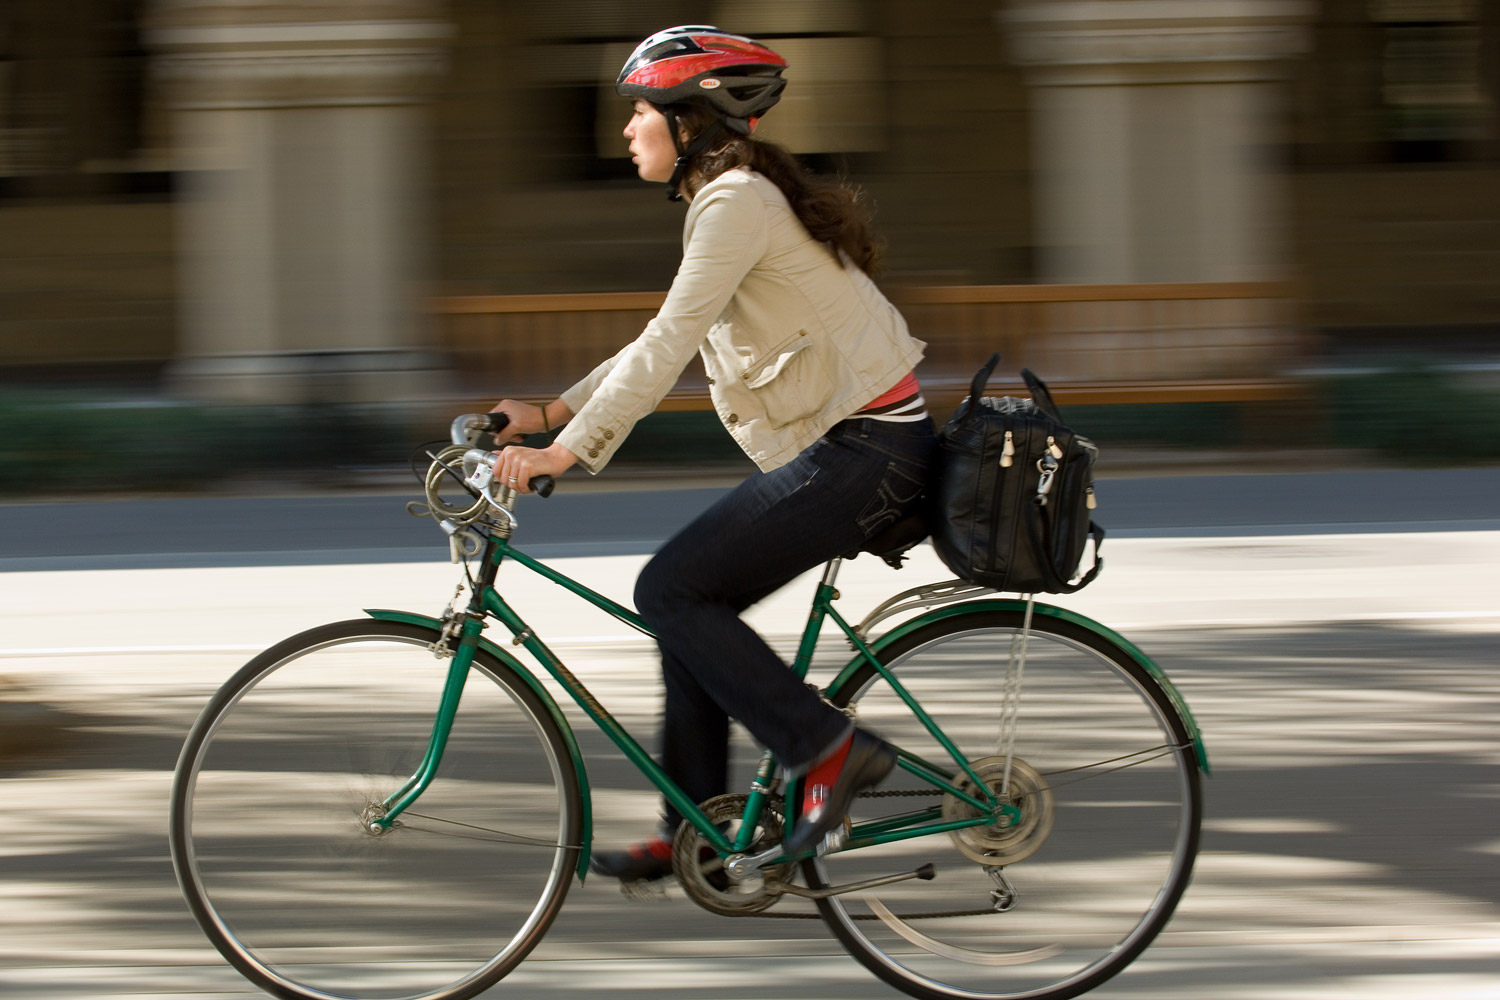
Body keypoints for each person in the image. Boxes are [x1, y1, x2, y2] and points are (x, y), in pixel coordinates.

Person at [488, 26, 935, 882]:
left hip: (868, 451)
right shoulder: (733, 199)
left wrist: (564, 454)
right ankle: (693, 825)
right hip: (862, 445)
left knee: (670, 588)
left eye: (641, 111)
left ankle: (829, 754)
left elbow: (666, 344)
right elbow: (664, 340)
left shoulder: (736, 203)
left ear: (689, 121)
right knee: (683, 604)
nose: (626, 129)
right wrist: (550, 411)